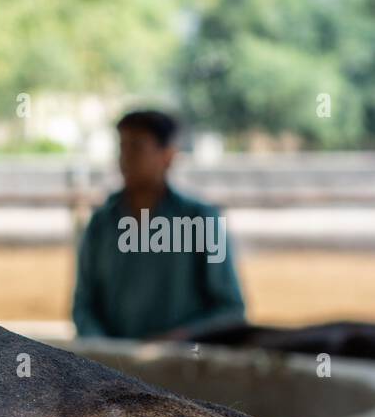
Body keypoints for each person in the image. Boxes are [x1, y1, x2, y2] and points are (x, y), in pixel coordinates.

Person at [72, 109, 246, 339]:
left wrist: (179, 339)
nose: (125, 158)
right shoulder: (101, 223)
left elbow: (230, 310)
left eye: (137, 147)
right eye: (122, 147)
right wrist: (107, 352)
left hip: (180, 368)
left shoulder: (200, 220)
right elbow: (83, 307)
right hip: (111, 369)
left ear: (168, 156)